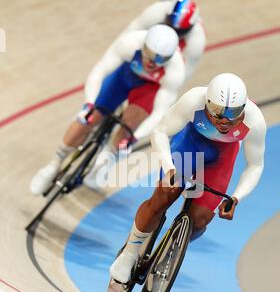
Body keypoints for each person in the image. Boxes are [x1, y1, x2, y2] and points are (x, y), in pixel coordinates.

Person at [109, 73, 267, 284]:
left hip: (221, 158)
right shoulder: (194, 100)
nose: (225, 121)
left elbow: (255, 165)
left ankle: (170, 251)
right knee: (165, 195)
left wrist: (236, 198)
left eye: (233, 115)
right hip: (190, 144)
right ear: (208, 103)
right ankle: (129, 254)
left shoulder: (254, 120)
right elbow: (160, 132)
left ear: (244, 109)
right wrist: (170, 168)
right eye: (218, 113)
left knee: (200, 220)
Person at [30, 24, 185, 195]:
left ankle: (105, 159)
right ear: (143, 46)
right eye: (149, 54)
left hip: (149, 88)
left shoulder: (175, 71)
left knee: (128, 127)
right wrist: (88, 104)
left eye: (160, 59)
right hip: (125, 76)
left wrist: (135, 136)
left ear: (169, 58)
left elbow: (159, 112)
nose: (152, 62)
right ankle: (54, 164)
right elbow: (99, 71)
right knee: (89, 117)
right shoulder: (130, 43)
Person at [114, 0, 206, 80]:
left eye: (178, 31)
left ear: (189, 29)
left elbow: (186, 71)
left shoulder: (197, 40)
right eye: (169, 24)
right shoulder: (155, 12)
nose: (171, 31)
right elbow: (129, 33)